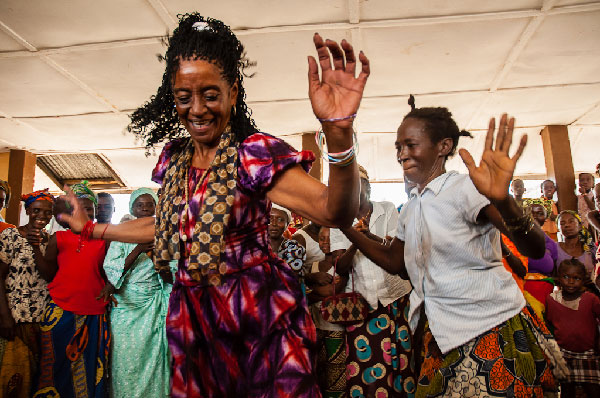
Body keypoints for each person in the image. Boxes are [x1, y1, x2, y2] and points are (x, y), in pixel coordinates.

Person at [58, 13, 369, 397]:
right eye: (184, 97)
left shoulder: (253, 155)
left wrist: (339, 136)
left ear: (233, 92)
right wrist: (91, 229)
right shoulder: (175, 160)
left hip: (258, 311)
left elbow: (334, 211)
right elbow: (167, 226)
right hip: (195, 315)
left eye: (210, 94)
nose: (197, 109)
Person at [338, 99, 565, 397]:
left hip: (489, 329)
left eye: (410, 145)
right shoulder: (412, 207)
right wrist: (345, 227)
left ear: (443, 146)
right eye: (398, 147)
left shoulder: (465, 188)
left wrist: (503, 200)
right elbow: (397, 263)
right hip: (442, 336)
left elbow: (534, 248)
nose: (401, 154)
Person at [331, 165, 414, 397]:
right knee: (366, 365)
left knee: (401, 361)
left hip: (395, 298)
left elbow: (395, 250)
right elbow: (342, 266)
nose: (355, 188)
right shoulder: (339, 221)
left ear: (368, 187)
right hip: (362, 305)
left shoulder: (387, 210)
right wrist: (356, 238)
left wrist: (367, 235)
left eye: (360, 183)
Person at [33, 182, 111, 398]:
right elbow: (48, 274)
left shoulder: (105, 238)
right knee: (55, 365)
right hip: (61, 311)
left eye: (90, 209)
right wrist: (34, 248)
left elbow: (109, 274)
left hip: (93, 312)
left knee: (89, 367)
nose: (86, 213)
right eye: (81, 209)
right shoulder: (59, 238)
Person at [101, 188, 173, 398]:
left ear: (157, 207)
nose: (144, 209)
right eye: (139, 205)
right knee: (126, 361)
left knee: (154, 363)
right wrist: (138, 250)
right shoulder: (121, 234)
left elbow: (172, 278)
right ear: (131, 207)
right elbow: (112, 273)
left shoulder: (166, 235)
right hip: (127, 307)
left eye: (149, 204)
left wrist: (158, 260)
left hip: (154, 307)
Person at [0, 189, 53, 398]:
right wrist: (4, 316)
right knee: (12, 376)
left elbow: (49, 276)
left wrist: (36, 246)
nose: (41, 217)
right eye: (37, 211)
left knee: (35, 378)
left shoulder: (50, 241)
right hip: (14, 318)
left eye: (47, 213)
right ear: (28, 210)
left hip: (41, 319)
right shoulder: (10, 235)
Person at [546, 259, 600, 397]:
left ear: (583, 280)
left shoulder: (591, 299)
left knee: (593, 390)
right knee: (567, 390)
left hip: (588, 353)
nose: (570, 281)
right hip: (563, 354)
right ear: (559, 278)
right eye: (566, 277)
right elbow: (551, 324)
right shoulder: (552, 300)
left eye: (576, 278)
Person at [306, 226, 348, 398]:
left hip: (335, 328)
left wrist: (312, 291)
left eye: (329, 238)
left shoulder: (341, 265)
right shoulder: (314, 265)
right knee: (318, 370)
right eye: (322, 238)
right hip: (315, 326)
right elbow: (310, 295)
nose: (325, 242)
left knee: (336, 373)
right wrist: (317, 290)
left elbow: (334, 291)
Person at [521, 200, 559, 317]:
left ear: (546, 218)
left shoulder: (551, 244)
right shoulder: (515, 238)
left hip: (544, 294)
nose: (535, 216)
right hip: (520, 293)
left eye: (540, 213)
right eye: (531, 213)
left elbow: (555, 273)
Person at [269, 204, 307, 288]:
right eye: (269, 218)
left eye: (280, 220)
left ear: (287, 224)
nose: (274, 223)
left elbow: (289, 281)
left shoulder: (295, 248)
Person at [557, 210, 598, 287]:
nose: (567, 225)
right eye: (562, 223)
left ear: (579, 226)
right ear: (558, 228)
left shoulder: (590, 248)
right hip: (563, 296)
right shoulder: (555, 249)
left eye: (571, 222)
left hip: (590, 293)